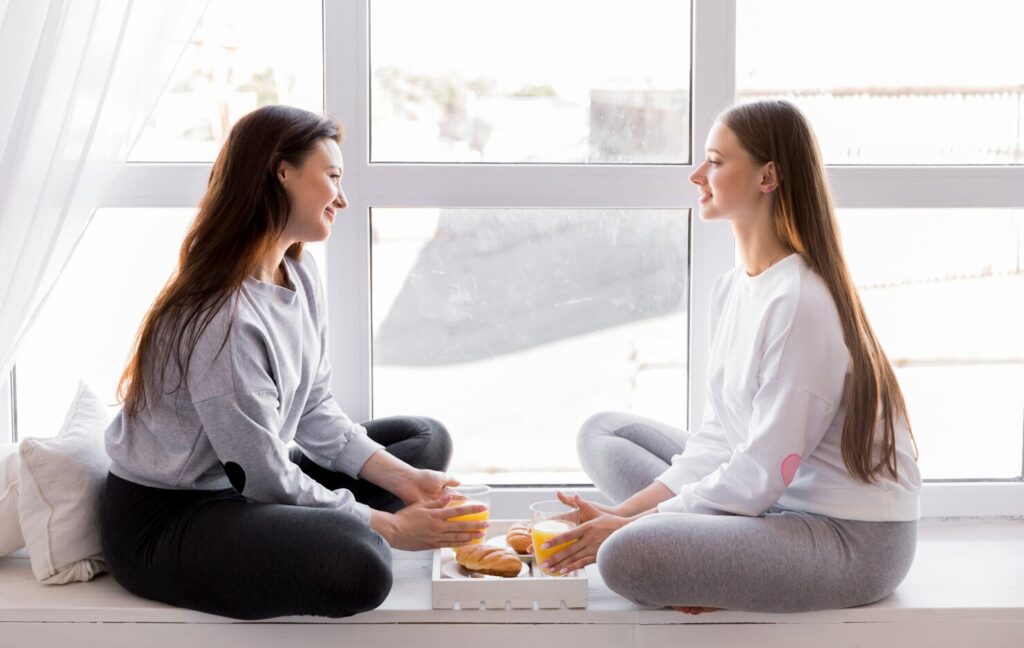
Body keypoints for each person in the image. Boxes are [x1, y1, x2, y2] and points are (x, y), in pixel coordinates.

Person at [100, 105, 488, 620]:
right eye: (332, 177)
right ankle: (337, 532)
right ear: (282, 171)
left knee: (422, 441)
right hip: (171, 517)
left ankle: (334, 523)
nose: (344, 199)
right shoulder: (224, 319)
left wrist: (405, 482)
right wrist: (389, 527)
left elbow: (314, 409)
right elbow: (263, 478)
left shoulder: (296, 274)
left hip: (247, 483)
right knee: (364, 562)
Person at [543, 100, 921, 614]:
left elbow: (759, 474)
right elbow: (719, 440)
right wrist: (616, 516)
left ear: (769, 176)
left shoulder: (802, 302)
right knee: (604, 432)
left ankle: (709, 555)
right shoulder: (733, 290)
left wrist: (630, 530)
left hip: (849, 539)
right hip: (770, 501)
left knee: (624, 557)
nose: (698, 175)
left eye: (716, 162)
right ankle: (712, 553)